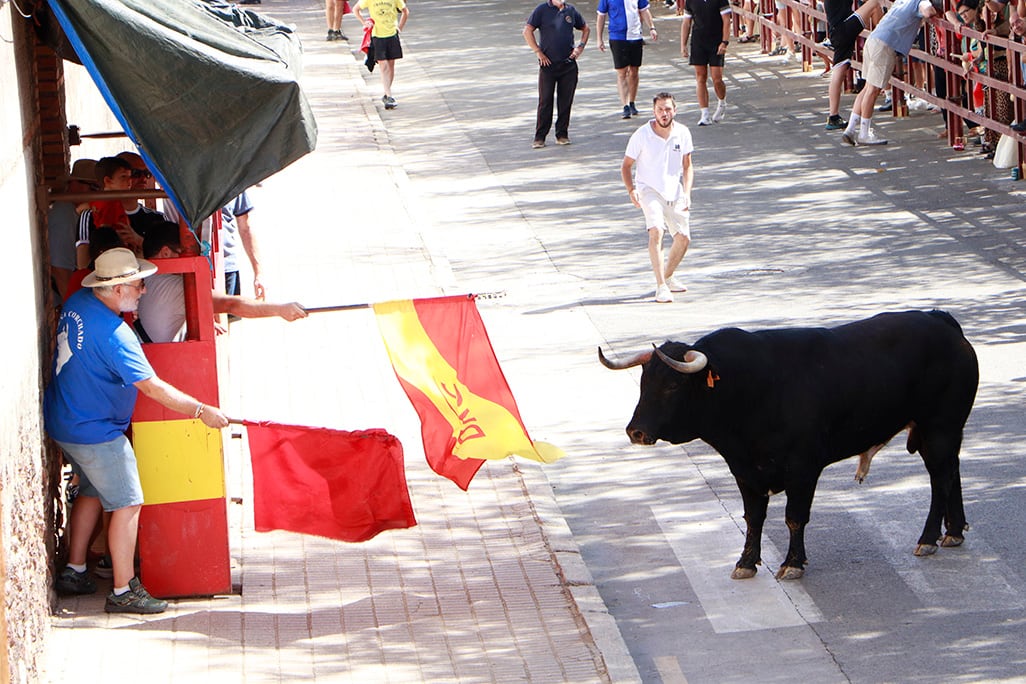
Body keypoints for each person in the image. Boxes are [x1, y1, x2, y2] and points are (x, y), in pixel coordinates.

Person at [45, 248, 230, 614]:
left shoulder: (80, 300)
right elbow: (152, 387)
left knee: (92, 489)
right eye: (138, 285)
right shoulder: (117, 336)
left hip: (64, 419)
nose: (144, 291)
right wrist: (201, 410)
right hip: (96, 433)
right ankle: (123, 589)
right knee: (129, 502)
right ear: (115, 290)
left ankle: (75, 569)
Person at [137, 222, 308, 343]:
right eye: (182, 253)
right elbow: (230, 304)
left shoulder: (148, 278)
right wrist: (280, 309)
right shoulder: (174, 289)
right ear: (166, 253)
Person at [620, 92, 695, 303]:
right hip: (649, 189)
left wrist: (687, 193)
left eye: (668, 109)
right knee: (657, 231)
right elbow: (626, 166)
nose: (664, 114)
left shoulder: (682, 133)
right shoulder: (642, 135)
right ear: (654, 112)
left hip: (674, 190)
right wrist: (631, 190)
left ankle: (668, 276)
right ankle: (661, 285)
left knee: (683, 238)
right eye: (660, 110)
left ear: (675, 111)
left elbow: (687, 166)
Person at [841, 0, 944, 146]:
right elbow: (927, 11)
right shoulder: (921, 1)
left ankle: (851, 129)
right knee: (873, 90)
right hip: (886, 45)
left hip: (874, 39)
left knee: (867, 88)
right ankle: (864, 133)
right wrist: (936, 11)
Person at [75, 156, 168, 267]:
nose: (143, 179)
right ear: (109, 180)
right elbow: (83, 265)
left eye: (147, 174)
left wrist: (138, 241)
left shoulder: (158, 218)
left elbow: (169, 259)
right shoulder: (90, 215)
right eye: (136, 173)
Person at [524, 0, 591, 148]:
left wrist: (580, 47)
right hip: (548, 64)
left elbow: (585, 28)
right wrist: (538, 51)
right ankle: (540, 136)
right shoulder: (542, 10)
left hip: (568, 64)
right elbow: (527, 30)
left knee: (565, 101)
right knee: (545, 100)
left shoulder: (571, 11)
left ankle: (562, 134)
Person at [824, 0, 882, 130]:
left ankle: (833, 116)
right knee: (874, 4)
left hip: (836, 30)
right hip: (844, 27)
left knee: (839, 68)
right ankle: (884, 36)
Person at [596, 0, 658, 119]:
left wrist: (652, 27)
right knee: (622, 72)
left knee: (634, 71)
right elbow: (601, 15)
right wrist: (599, 38)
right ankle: (625, 105)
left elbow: (644, 10)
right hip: (617, 36)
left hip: (635, 36)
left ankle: (632, 102)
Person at [48, 158, 98, 300]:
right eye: (93, 188)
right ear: (74, 184)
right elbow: (61, 271)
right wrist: (72, 305)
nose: (98, 193)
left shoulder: (77, 212)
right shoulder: (63, 214)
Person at [679, 0, 731, 126]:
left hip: (716, 42)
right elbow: (686, 22)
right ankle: (705, 113)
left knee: (717, 78)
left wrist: (724, 42)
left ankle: (722, 102)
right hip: (698, 42)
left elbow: (726, 20)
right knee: (700, 77)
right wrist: (683, 45)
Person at [353, 0, 409, 110]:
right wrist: (364, 22)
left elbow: (405, 11)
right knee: (383, 65)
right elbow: (356, 9)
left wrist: (400, 27)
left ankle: (386, 92)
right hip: (377, 36)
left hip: (392, 34)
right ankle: (389, 96)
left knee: (391, 65)